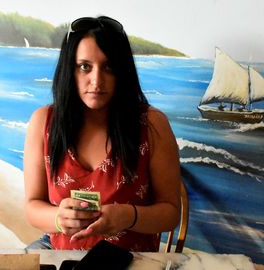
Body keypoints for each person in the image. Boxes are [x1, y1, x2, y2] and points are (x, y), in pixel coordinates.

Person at [23, 15, 182, 252]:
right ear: (70, 69)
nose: (97, 80)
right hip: (59, 252)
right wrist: (59, 218)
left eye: (109, 67)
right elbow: (32, 206)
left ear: (123, 72)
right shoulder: (44, 122)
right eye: (84, 67)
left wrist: (129, 216)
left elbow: (170, 213)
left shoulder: (151, 125)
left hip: (130, 257)